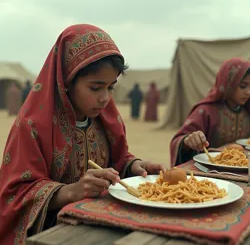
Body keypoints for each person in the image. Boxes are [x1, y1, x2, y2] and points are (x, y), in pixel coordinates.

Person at [0, 24, 166, 245]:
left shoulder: (106, 120)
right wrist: (70, 192)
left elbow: (117, 159)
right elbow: (15, 194)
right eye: (95, 88)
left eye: (111, 87)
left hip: (106, 228)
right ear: (66, 81)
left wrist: (134, 166)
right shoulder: (32, 127)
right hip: (53, 234)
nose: (105, 98)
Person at [170, 58, 250, 167]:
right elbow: (178, 141)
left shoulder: (247, 111)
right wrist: (188, 141)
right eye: (243, 86)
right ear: (229, 84)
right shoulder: (206, 111)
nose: (248, 92)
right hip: (210, 170)